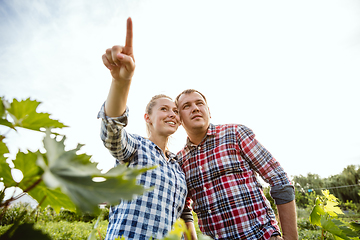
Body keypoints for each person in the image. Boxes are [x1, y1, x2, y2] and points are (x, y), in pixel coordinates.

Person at [98, 17, 196, 240]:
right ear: (148, 117)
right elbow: (112, 133)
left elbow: (183, 216)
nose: (171, 113)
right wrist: (122, 83)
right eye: (164, 109)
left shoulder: (179, 168)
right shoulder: (135, 148)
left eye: (175, 111)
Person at [175, 89, 298, 240]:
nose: (195, 108)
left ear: (208, 111)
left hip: (261, 236)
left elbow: (279, 179)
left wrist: (290, 237)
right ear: (179, 118)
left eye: (199, 103)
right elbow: (183, 208)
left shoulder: (235, 134)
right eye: (186, 106)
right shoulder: (179, 161)